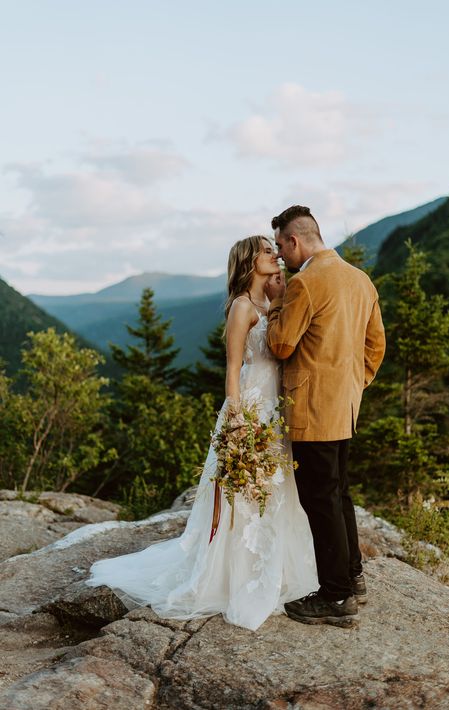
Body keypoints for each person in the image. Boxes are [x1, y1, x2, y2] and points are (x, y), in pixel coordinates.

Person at [86, 235, 317, 631]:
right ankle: (235, 575)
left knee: (278, 490)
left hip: (276, 410)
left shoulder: (269, 303)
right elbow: (232, 370)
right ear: (248, 262)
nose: (275, 255)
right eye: (266, 250)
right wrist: (238, 420)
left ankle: (276, 570)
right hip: (251, 408)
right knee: (243, 496)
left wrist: (279, 299)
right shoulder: (242, 307)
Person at [266, 205, 386, 627]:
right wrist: (354, 385)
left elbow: (280, 346)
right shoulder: (360, 280)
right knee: (339, 494)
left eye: (281, 245)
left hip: (312, 407)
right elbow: (376, 347)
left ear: (295, 240)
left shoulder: (305, 285)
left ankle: (335, 597)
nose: (280, 255)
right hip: (344, 406)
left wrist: (277, 303)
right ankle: (352, 579)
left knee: (320, 500)